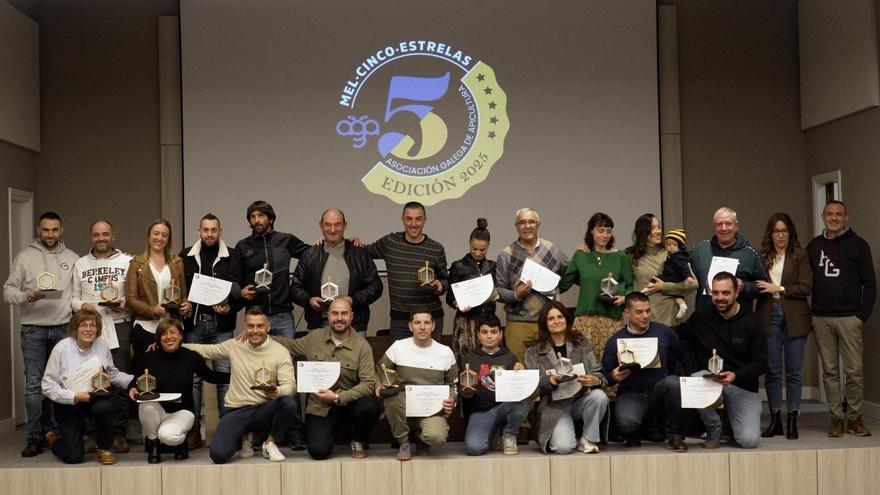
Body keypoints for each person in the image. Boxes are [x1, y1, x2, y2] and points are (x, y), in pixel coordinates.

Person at [3, 211, 79, 457]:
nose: (50, 234)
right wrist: (26, 296)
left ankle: (58, 431)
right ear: (39, 230)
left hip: (63, 328)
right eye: (46, 230)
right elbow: (8, 291)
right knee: (34, 385)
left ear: (61, 230)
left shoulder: (72, 258)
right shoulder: (24, 257)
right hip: (33, 329)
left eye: (54, 230)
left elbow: (77, 293)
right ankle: (34, 436)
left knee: (61, 383)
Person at [184, 306, 298, 464]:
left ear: (268, 327)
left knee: (288, 403)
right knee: (218, 455)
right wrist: (175, 344)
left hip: (264, 409)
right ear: (245, 326)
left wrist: (276, 390)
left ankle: (270, 443)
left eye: (260, 326)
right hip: (236, 410)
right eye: (250, 326)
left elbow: (290, 385)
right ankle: (244, 439)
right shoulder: (235, 345)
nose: (255, 330)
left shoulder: (280, 351)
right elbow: (206, 350)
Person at [272, 298, 380, 459]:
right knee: (318, 451)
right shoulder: (314, 338)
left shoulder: (362, 345)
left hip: (349, 403)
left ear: (351, 316)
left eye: (344, 313)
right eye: (335, 313)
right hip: (320, 407)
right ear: (327, 315)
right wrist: (261, 335)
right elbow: (289, 346)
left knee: (370, 407)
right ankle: (327, 434)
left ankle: (357, 439)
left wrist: (338, 397)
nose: (339, 318)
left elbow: (369, 383)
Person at [807, 200, 876, 437]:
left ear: (846, 217)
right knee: (829, 371)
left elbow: (870, 283)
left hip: (850, 317)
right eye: (829, 214)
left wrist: (862, 315)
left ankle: (855, 418)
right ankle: (836, 417)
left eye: (838, 214)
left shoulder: (858, 245)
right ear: (823, 216)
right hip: (821, 317)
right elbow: (807, 282)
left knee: (854, 370)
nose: (834, 218)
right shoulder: (814, 246)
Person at [677, 272, 767, 449]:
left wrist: (735, 376)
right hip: (709, 380)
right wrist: (650, 331)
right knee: (695, 380)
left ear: (736, 293)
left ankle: (730, 424)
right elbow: (680, 333)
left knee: (748, 441)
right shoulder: (702, 315)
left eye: (725, 293)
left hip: (741, 385)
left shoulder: (752, 322)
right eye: (715, 293)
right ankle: (713, 428)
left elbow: (761, 363)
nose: (720, 298)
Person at [70, 219, 133, 454]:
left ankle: (118, 434)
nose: (101, 238)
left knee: (118, 379)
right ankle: (91, 434)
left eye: (105, 234)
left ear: (112, 235)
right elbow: (72, 299)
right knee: (88, 379)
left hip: (118, 325)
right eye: (96, 235)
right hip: (89, 328)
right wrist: (84, 305)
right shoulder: (80, 264)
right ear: (91, 237)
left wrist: (123, 304)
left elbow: (133, 295)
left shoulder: (127, 261)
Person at [601, 292, 693, 452]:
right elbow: (605, 375)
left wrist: (697, 377)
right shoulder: (615, 340)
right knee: (626, 423)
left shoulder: (663, 332)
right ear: (627, 313)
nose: (645, 316)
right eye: (639, 312)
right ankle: (637, 430)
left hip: (659, 390)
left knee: (673, 382)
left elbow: (685, 355)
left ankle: (674, 434)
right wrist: (613, 376)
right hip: (631, 393)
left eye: (648, 311)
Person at [41, 308, 135, 465]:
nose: (88, 329)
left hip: (94, 399)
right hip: (69, 403)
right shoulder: (61, 348)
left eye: (93, 325)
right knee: (74, 457)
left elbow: (111, 373)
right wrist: (74, 396)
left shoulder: (102, 345)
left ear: (98, 329)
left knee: (105, 407)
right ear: (75, 328)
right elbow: (47, 385)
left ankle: (104, 448)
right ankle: (54, 440)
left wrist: (133, 383)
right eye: (83, 325)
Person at [129, 318, 229, 463]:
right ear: (159, 338)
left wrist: (237, 377)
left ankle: (180, 442)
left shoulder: (191, 356)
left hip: (183, 412)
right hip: (158, 411)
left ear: (181, 335)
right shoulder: (150, 356)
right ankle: (154, 444)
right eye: (164, 334)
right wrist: (132, 387)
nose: (169, 337)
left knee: (168, 436)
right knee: (146, 406)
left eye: (173, 332)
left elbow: (211, 376)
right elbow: (137, 378)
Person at [179, 213, 236, 449]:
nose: (210, 234)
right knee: (193, 380)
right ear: (199, 231)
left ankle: (226, 431)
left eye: (214, 230)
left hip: (221, 326)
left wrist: (230, 305)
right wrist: (184, 302)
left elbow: (237, 286)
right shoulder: (185, 256)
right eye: (206, 230)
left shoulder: (231, 255)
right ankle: (193, 431)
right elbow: (178, 286)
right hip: (194, 325)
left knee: (224, 378)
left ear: (220, 231)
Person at [755, 212, 812, 440]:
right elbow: (755, 285)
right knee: (772, 370)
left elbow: (806, 287)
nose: (780, 235)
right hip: (768, 314)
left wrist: (779, 289)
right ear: (771, 233)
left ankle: (792, 419)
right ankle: (775, 418)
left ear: (790, 233)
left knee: (794, 371)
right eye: (777, 231)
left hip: (794, 315)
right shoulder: (763, 256)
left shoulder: (800, 255)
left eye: (784, 231)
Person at [525, 300, 608, 454]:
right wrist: (547, 381)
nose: (556, 321)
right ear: (544, 323)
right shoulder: (533, 352)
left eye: (560, 316)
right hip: (554, 406)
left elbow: (598, 370)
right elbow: (532, 386)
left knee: (599, 396)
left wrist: (596, 379)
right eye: (551, 318)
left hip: (581, 399)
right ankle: (567, 433)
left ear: (566, 319)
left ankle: (588, 439)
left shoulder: (581, 343)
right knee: (563, 448)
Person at [377, 308, 457, 461]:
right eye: (417, 322)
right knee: (391, 394)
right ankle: (404, 443)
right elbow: (381, 371)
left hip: (430, 410)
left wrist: (452, 399)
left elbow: (453, 385)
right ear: (410, 326)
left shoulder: (445, 352)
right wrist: (379, 384)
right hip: (403, 409)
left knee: (436, 437)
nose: (422, 327)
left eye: (426, 323)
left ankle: (423, 439)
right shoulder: (398, 347)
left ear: (433, 326)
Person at [364, 201, 449, 341]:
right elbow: (363, 252)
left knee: (431, 362)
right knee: (400, 362)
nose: (414, 224)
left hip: (430, 319)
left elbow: (445, 279)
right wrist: (345, 241)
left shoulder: (436, 248)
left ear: (425, 220)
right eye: (409, 219)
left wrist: (441, 286)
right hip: (401, 320)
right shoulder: (390, 242)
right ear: (403, 220)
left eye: (418, 219)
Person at [291, 208, 383, 337]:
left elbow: (376, 286)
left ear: (345, 225)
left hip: (354, 326)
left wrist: (353, 300)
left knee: (354, 358)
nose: (332, 229)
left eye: (337, 224)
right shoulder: (309, 255)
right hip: (319, 326)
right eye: (328, 224)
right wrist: (309, 300)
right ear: (321, 226)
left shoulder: (360, 254)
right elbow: (295, 287)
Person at [495, 208, 569, 363]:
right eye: (522, 222)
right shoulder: (506, 254)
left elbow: (569, 274)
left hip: (549, 323)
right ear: (516, 226)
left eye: (531, 222)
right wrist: (516, 295)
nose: (527, 226)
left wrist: (556, 290)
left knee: (554, 369)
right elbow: (499, 291)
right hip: (518, 324)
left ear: (538, 225)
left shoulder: (552, 249)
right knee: (520, 370)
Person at [229, 200, 309, 339]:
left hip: (283, 315)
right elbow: (233, 279)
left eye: (260, 216)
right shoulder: (242, 246)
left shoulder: (286, 240)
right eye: (252, 217)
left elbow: (311, 255)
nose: (256, 220)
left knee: (285, 357)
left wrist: (342, 242)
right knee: (255, 359)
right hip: (255, 315)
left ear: (271, 218)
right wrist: (241, 292)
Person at [559, 212, 633, 360]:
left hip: (611, 319)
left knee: (612, 362)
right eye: (600, 231)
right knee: (582, 363)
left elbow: (630, 285)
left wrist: (624, 298)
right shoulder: (581, 255)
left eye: (609, 231)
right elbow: (564, 283)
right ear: (591, 231)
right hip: (585, 321)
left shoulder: (620, 257)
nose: (605, 235)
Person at [125, 219, 190, 374]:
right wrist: (152, 310)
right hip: (146, 328)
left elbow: (183, 295)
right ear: (148, 236)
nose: (159, 238)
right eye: (156, 234)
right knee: (147, 372)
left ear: (168, 239)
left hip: (173, 327)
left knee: (173, 372)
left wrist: (187, 306)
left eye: (164, 235)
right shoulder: (137, 263)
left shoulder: (177, 262)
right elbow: (130, 299)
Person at [460, 314, 530, 456]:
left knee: (523, 403)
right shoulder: (469, 358)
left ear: (500, 334)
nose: (489, 336)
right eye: (484, 332)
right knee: (474, 448)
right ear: (478, 335)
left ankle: (509, 434)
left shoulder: (510, 357)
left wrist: (520, 372)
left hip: (505, 407)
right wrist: (467, 391)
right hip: (481, 411)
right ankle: (493, 436)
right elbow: (464, 393)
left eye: (494, 332)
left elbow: (520, 389)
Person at [625, 213, 697, 326]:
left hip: (669, 319)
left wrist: (664, 287)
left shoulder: (671, 252)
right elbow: (625, 284)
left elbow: (694, 284)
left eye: (658, 227)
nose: (658, 231)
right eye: (653, 228)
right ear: (643, 231)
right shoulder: (631, 255)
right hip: (642, 320)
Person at [690, 207, 767, 310]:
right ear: (714, 227)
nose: (724, 228)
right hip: (705, 318)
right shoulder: (699, 250)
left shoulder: (750, 254)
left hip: (738, 320)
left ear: (737, 226)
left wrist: (744, 287)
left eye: (728, 224)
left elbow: (763, 287)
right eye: (719, 224)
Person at [446, 217, 497, 362]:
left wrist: (497, 295)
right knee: (466, 361)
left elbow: (498, 291)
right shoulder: (458, 266)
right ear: (469, 244)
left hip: (488, 319)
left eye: (482, 249)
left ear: (488, 246)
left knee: (489, 362)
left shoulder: (493, 266)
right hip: (466, 323)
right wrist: (457, 303)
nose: (478, 253)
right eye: (475, 249)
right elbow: (449, 297)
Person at [661, 228, 693, 320]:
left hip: (674, 277)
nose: (671, 247)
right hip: (671, 275)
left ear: (680, 246)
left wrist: (688, 277)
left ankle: (682, 304)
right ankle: (681, 304)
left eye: (674, 245)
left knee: (674, 293)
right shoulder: (671, 255)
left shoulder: (679, 257)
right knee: (675, 294)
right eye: (668, 245)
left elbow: (684, 267)